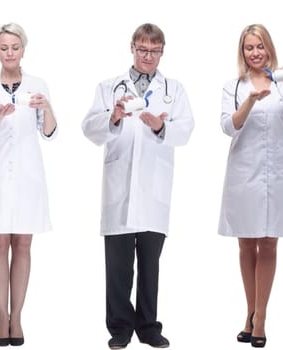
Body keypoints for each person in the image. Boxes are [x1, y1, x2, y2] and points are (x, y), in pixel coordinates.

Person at [81, 23, 194, 350]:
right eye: (142, 49)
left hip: (154, 189)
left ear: (162, 52)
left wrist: (161, 125)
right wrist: (114, 117)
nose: (148, 56)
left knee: (150, 266)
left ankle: (148, 327)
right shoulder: (109, 87)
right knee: (117, 268)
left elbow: (185, 131)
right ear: (132, 47)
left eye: (154, 51)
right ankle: (119, 328)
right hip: (119, 188)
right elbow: (89, 128)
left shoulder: (174, 90)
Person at [219, 23, 283, 349]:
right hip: (244, 175)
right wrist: (249, 100)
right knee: (246, 244)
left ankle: (260, 317)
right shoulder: (234, 86)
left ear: (269, 48)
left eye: (260, 46)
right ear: (242, 52)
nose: (255, 52)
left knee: (270, 243)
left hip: (277, 174)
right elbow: (228, 127)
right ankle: (249, 312)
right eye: (249, 47)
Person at [0, 22, 58, 347]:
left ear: (23, 49)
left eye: (15, 48)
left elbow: (48, 132)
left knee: (22, 245)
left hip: (27, 174)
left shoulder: (37, 85)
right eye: (4, 47)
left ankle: (17, 318)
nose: (9, 53)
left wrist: (46, 108)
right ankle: (0, 318)